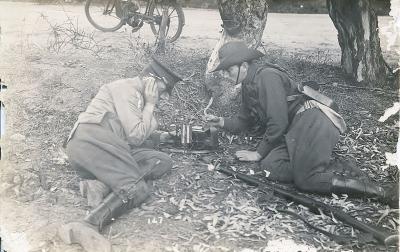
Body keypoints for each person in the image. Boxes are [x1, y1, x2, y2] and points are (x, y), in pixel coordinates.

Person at [206, 41, 398, 209]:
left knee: (306, 180)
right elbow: (246, 120)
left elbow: (278, 122)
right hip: (298, 128)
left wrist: (257, 152)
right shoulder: (249, 85)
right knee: (271, 165)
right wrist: (222, 122)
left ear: (244, 65)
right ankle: (328, 165)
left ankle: (383, 192)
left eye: (229, 70)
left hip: (314, 119)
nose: (226, 75)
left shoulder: (267, 77)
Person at [58, 56, 182, 252]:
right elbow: (135, 136)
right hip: (92, 142)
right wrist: (150, 106)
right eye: (164, 89)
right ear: (150, 80)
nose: (164, 96)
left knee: (161, 161)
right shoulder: (126, 90)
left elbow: (128, 131)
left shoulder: (136, 94)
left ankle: (100, 183)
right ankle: (88, 224)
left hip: (108, 145)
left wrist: (162, 137)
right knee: (137, 189)